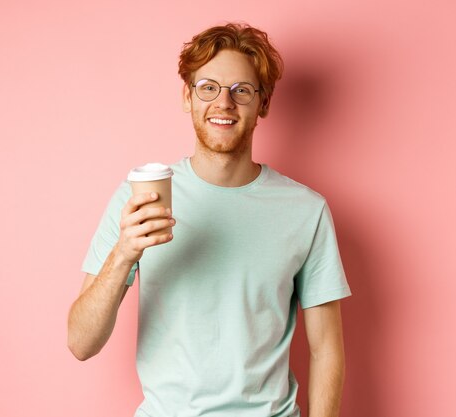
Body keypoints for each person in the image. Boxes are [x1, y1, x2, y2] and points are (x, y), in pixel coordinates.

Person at [67, 22, 352, 417]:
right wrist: (123, 253)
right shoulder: (137, 198)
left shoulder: (306, 211)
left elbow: (326, 350)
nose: (224, 103)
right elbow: (81, 343)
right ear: (188, 96)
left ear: (263, 104)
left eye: (242, 90)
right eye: (208, 88)